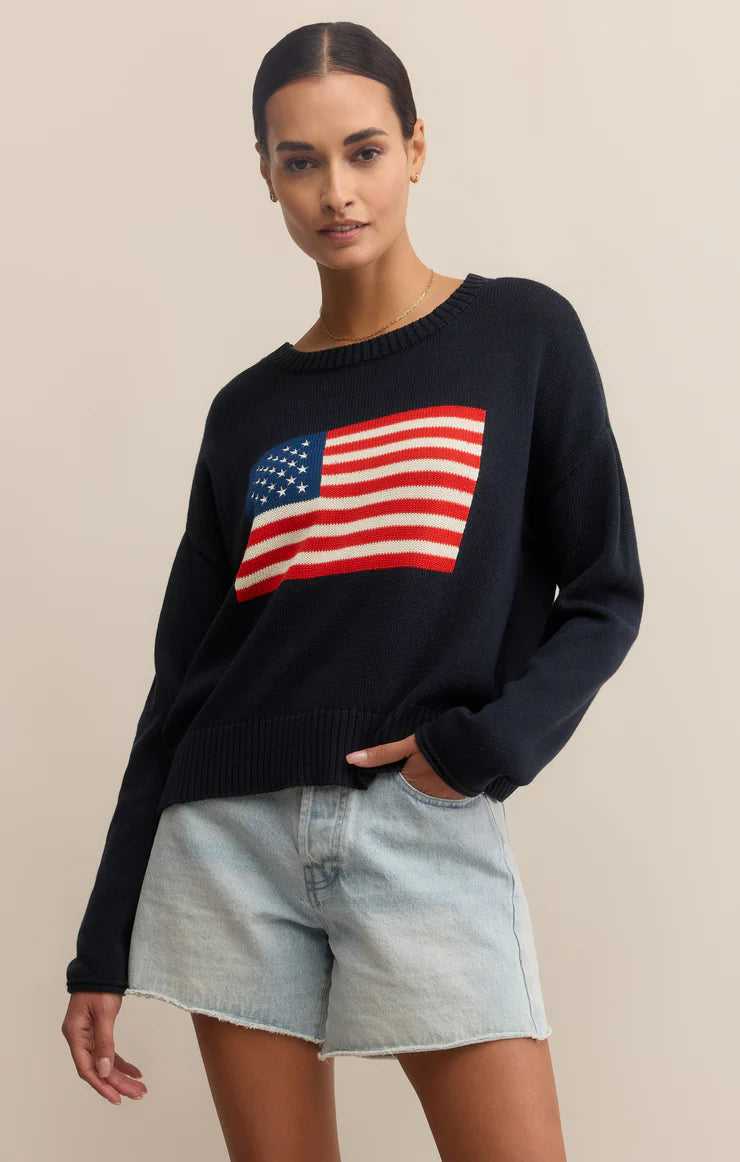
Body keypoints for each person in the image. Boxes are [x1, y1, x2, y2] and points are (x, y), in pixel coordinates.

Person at [61, 20, 644, 1162]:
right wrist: (103, 940)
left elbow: (604, 593)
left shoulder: (520, 336)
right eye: (301, 161)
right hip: (226, 846)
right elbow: (180, 683)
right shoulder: (247, 412)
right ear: (267, 175)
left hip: (418, 823)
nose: (336, 191)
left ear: (416, 148)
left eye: (364, 151)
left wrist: (480, 750)